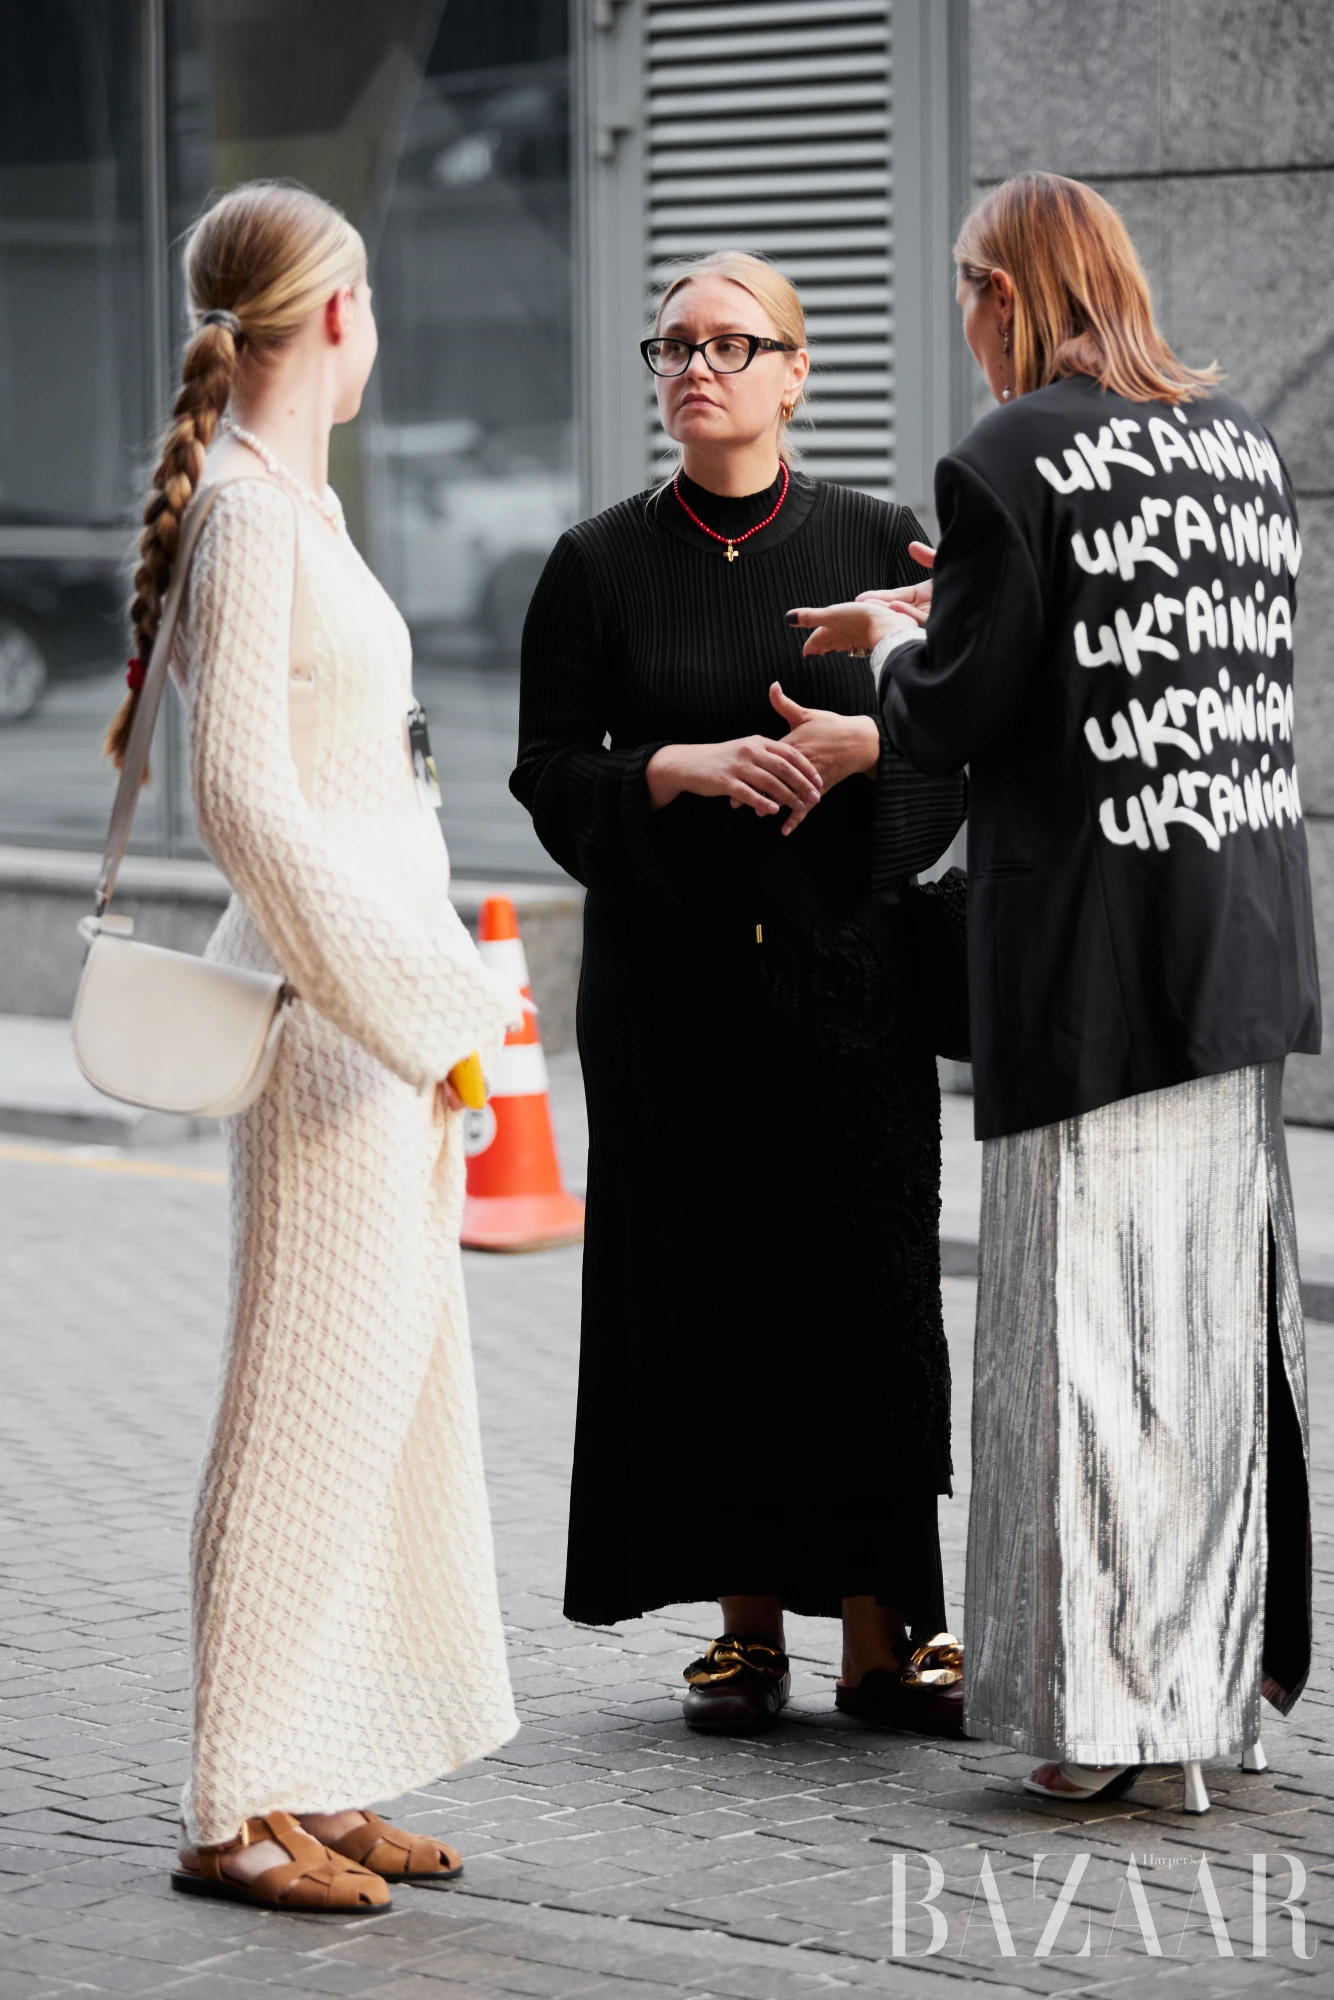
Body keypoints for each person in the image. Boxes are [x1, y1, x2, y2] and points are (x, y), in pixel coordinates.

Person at [790, 172, 1319, 1809]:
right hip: (1228, 953)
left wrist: (887, 645)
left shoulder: (1008, 454)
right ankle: (1197, 1717)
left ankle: (1100, 1724)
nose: (966, 323)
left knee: (1087, 1355)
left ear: (1008, 293)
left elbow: (957, 710)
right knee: (1211, 1351)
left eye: (968, 291)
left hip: (1083, 974)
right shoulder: (1237, 449)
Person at [105, 181, 523, 1909]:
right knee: (297, 1412)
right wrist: (420, 1007)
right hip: (339, 1031)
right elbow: (244, 808)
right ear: (334, 314)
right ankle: (228, 1803)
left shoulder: (299, 506)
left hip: (386, 1030)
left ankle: (317, 1771)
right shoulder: (255, 520)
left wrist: (425, 1001)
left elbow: (358, 781)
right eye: (372, 305)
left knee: (381, 1410)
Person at [511, 250, 968, 1735]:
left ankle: (886, 1634)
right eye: (673, 345)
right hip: (672, 995)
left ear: (795, 370)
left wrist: (863, 754)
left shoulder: (875, 539)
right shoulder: (598, 560)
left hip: (847, 986)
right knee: (705, 1295)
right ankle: (746, 1629)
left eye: (730, 342)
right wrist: (673, 766)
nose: (695, 366)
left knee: (863, 1296)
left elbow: (948, 745)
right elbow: (544, 767)